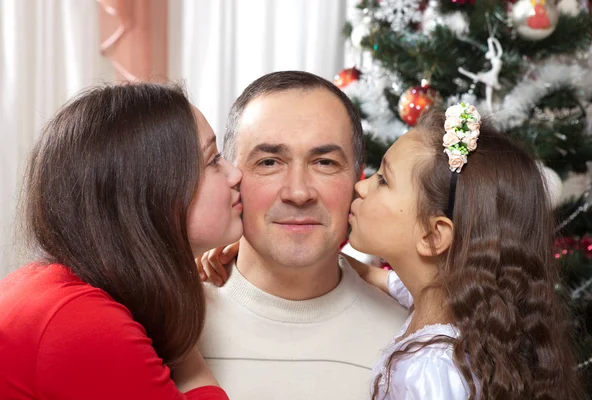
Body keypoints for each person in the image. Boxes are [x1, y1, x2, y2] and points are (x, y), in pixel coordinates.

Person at [0, 83, 243, 399]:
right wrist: (185, 341)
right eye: (213, 160)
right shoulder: (80, 323)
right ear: (152, 193)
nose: (235, 174)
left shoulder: (45, 286)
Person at [346, 103, 584, 399]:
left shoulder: (430, 371)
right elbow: (387, 281)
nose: (361, 187)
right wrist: (343, 262)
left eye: (383, 180)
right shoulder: (443, 300)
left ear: (433, 235)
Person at [197, 71, 408, 400]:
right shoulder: (165, 327)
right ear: (231, 176)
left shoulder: (413, 341)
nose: (298, 193)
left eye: (324, 162)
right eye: (269, 162)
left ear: (359, 177)